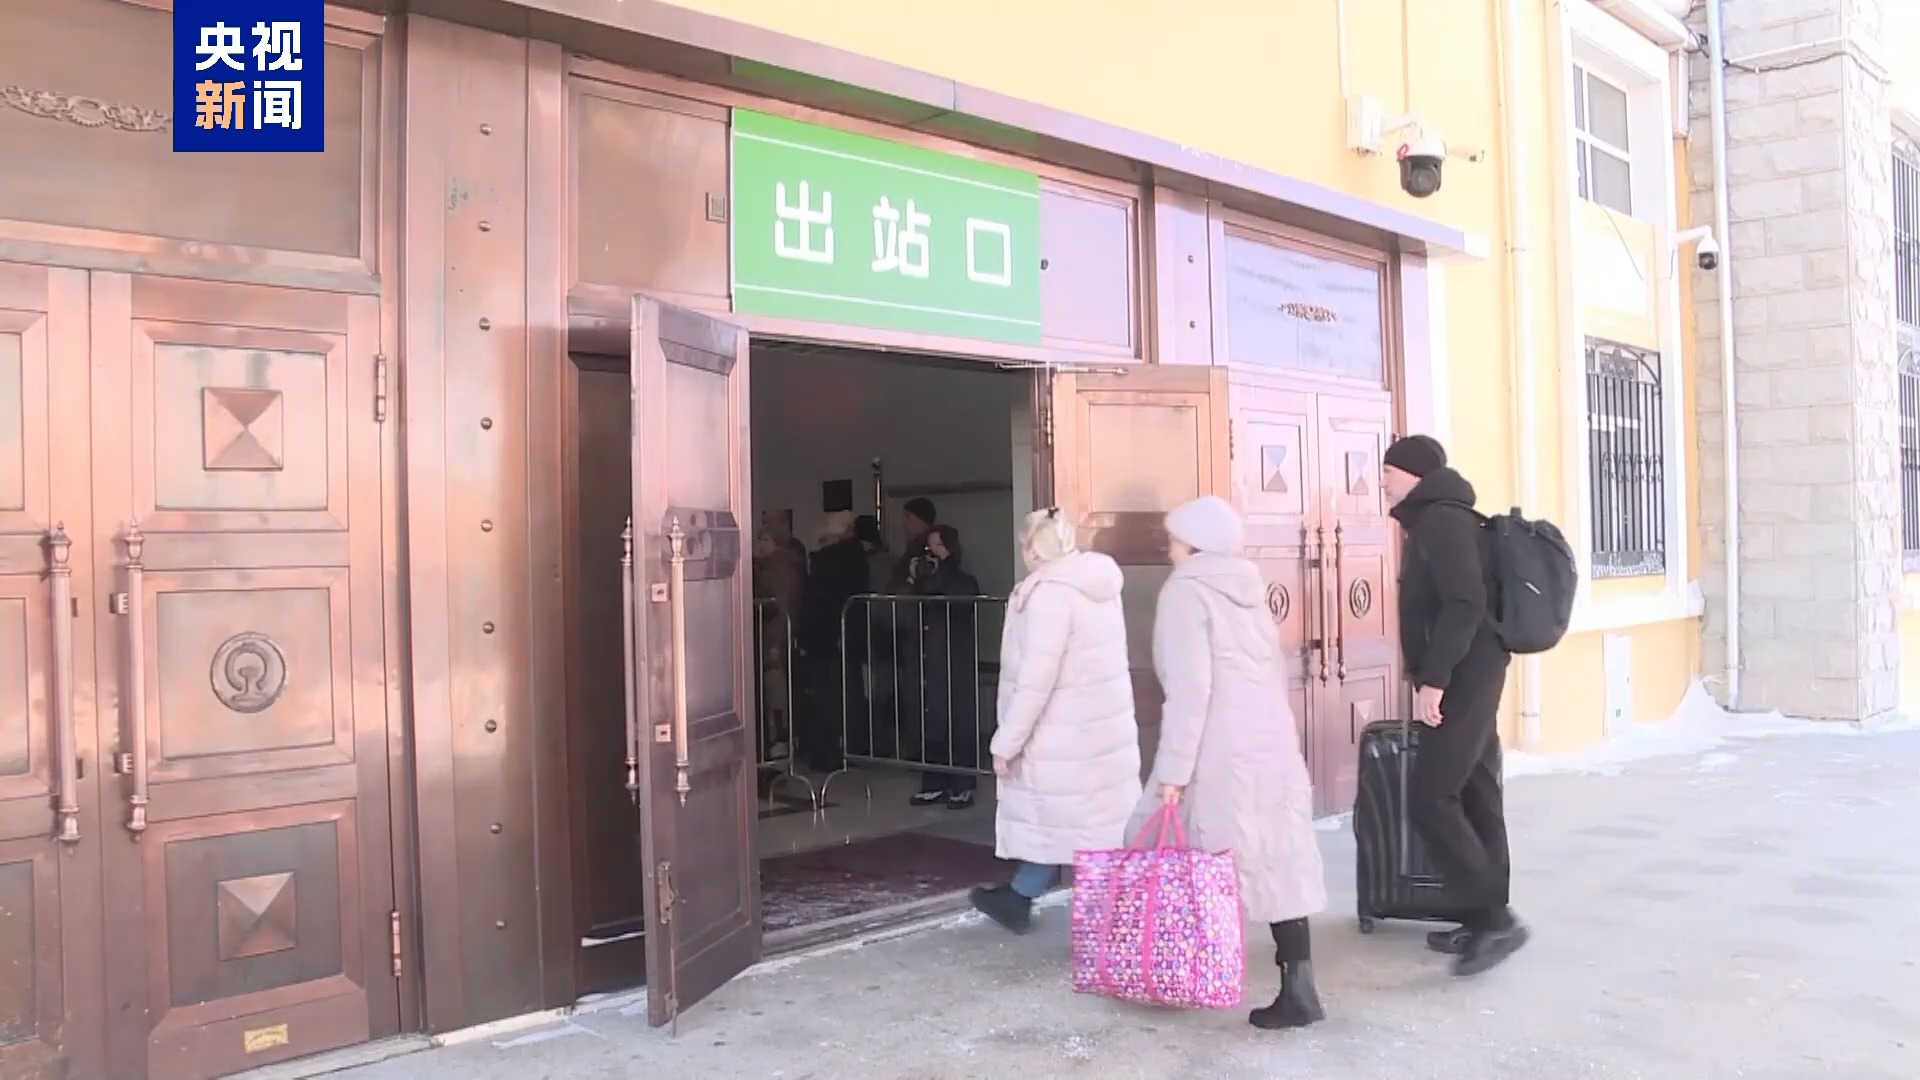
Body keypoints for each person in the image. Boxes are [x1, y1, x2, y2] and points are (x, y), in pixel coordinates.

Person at [1125, 495, 1329, 1030]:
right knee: (1277, 858)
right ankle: (1299, 987)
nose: (1170, 549)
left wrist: (1173, 772)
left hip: (1218, 747)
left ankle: (1174, 969)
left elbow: (1190, 691)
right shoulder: (1248, 588)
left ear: (1194, 544)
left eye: (1174, 540)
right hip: (1268, 741)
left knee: (1189, 860)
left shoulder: (1185, 592)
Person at [1381, 434, 1527, 977]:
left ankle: (1493, 919)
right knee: (1475, 789)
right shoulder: (1440, 518)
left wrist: (1435, 680)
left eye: (1389, 471)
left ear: (1414, 473)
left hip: (1465, 672)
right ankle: (1482, 916)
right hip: (1474, 668)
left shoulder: (1442, 521)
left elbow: (1465, 603)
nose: (1382, 481)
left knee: (1432, 795)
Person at [970, 508, 1140, 933]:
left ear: (1033, 548)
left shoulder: (1049, 595)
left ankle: (1106, 927)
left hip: (1061, 735)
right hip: (1097, 729)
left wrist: (1006, 743)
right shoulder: (1096, 586)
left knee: (1065, 821)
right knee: (1083, 826)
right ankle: (1023, 896)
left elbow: (1035, 681)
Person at [909, 524, 984, 809]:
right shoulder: (922, 582)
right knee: (931, 721)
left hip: (955, 664)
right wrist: (915, 579)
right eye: (926, 549)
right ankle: (934, 781)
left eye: (935, 548)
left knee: (959, 722)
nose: (930, 554)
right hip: (927, 662)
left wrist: (942, 571)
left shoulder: (962, 581)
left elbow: (962, 603)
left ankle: (962, 784)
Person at [799, 511, 871, 772]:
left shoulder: (828, 560)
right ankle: (854, 746)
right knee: (849, 690)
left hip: (827, 636)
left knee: (828, 695)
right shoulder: (858, 557)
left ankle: (828, 750)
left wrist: (805, 633)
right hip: (846, 634)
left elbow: (819, 600)